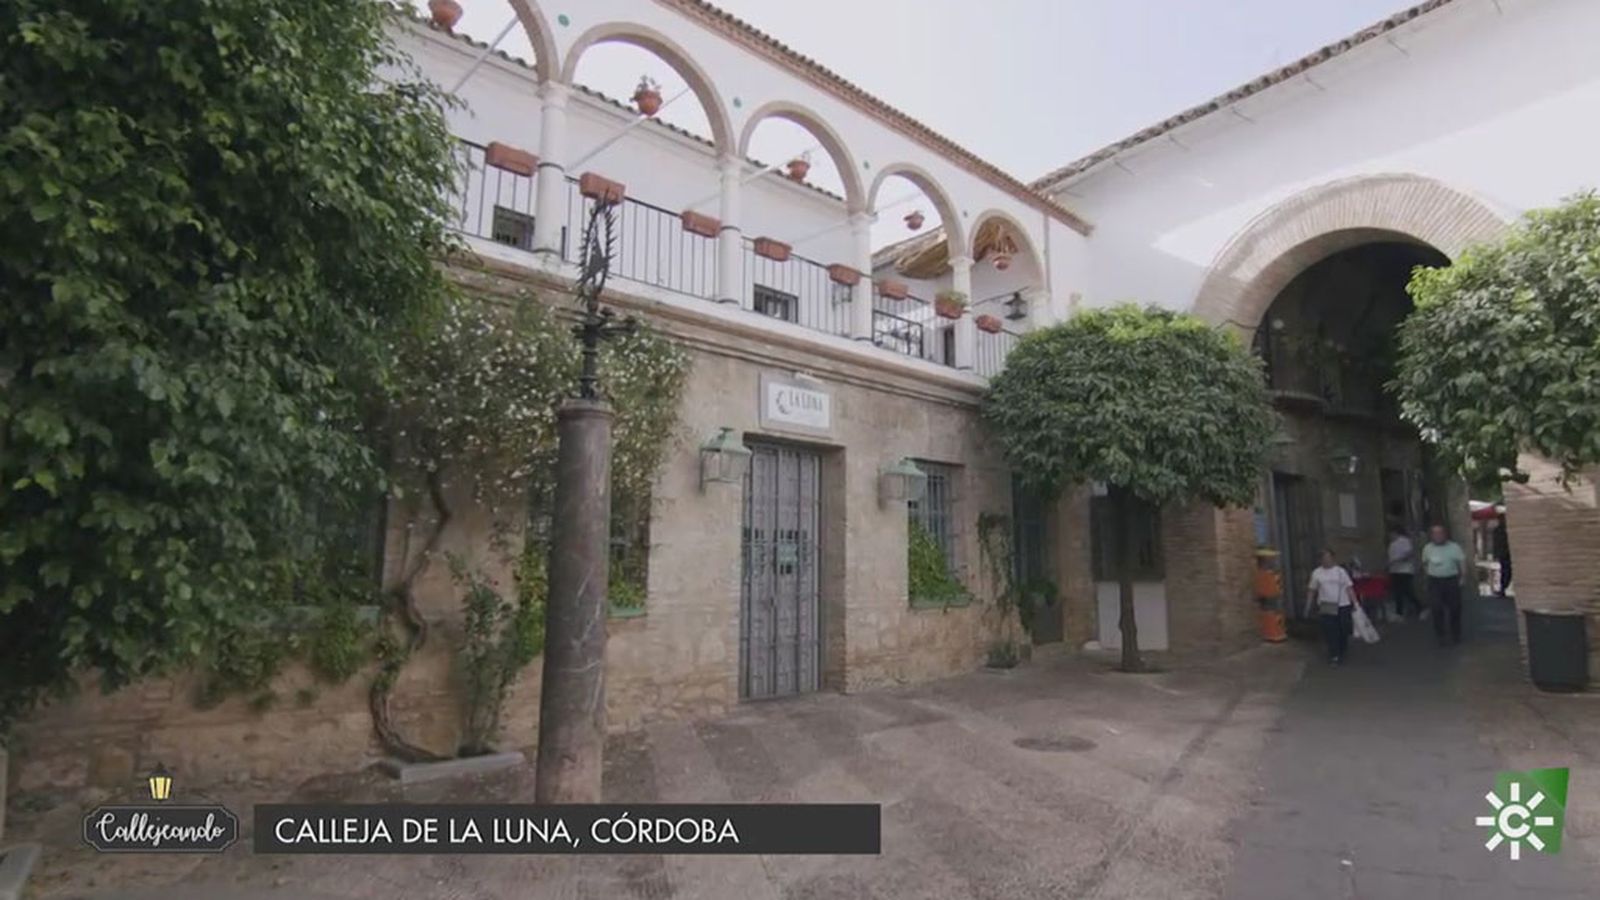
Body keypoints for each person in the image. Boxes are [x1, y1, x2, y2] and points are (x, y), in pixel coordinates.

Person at [1306, 549, 1356, 665]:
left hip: (1342, 604)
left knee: (1343, 628)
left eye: (1328, 557)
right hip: (1326, 605)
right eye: (1323, 558)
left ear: (1333, 558)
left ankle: (1342, 648)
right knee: (1330, 631)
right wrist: (1308, 605)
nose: (1325, 560)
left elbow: (1349, 588)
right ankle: (1334, 654)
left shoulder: (1340, 572)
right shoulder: (1317, 573)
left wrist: (1355, 603)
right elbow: (1312, 590)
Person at [1422, 524, 1467, 645]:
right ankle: (1440, 634)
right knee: (1436, 608)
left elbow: (1461, 562)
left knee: (1455, 608)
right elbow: (1425, 563)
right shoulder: (1427, 548)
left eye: (1440, 533)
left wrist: (1463, 576)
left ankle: (1455, 633)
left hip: (1451, 579)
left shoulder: (1454, 547)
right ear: (1431, 536)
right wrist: (1427, 577)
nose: (1438, 536)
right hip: (1435, 580)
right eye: (1435, 533)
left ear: (1445, 534)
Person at [1387, 524, 1417, 619]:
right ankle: (1399, 612)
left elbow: (1409, 554)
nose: (1390, 536)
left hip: (1405, 570)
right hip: (1395, 570)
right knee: (1397, 592)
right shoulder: (1391, 544)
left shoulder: (1404, 541)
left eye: (1391, 534)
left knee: (1407, 591)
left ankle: (1419, 606)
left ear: (1395, 533)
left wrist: (1397, 560)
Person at [1493, 513, 1513, 598]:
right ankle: (1503, 588)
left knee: (1506, 571)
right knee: (1506, 571)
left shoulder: (1508, 529)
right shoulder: (1498, 530)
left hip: (1507, 553)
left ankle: (1503, 588)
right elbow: (1497, 543)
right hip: (1505, 554)